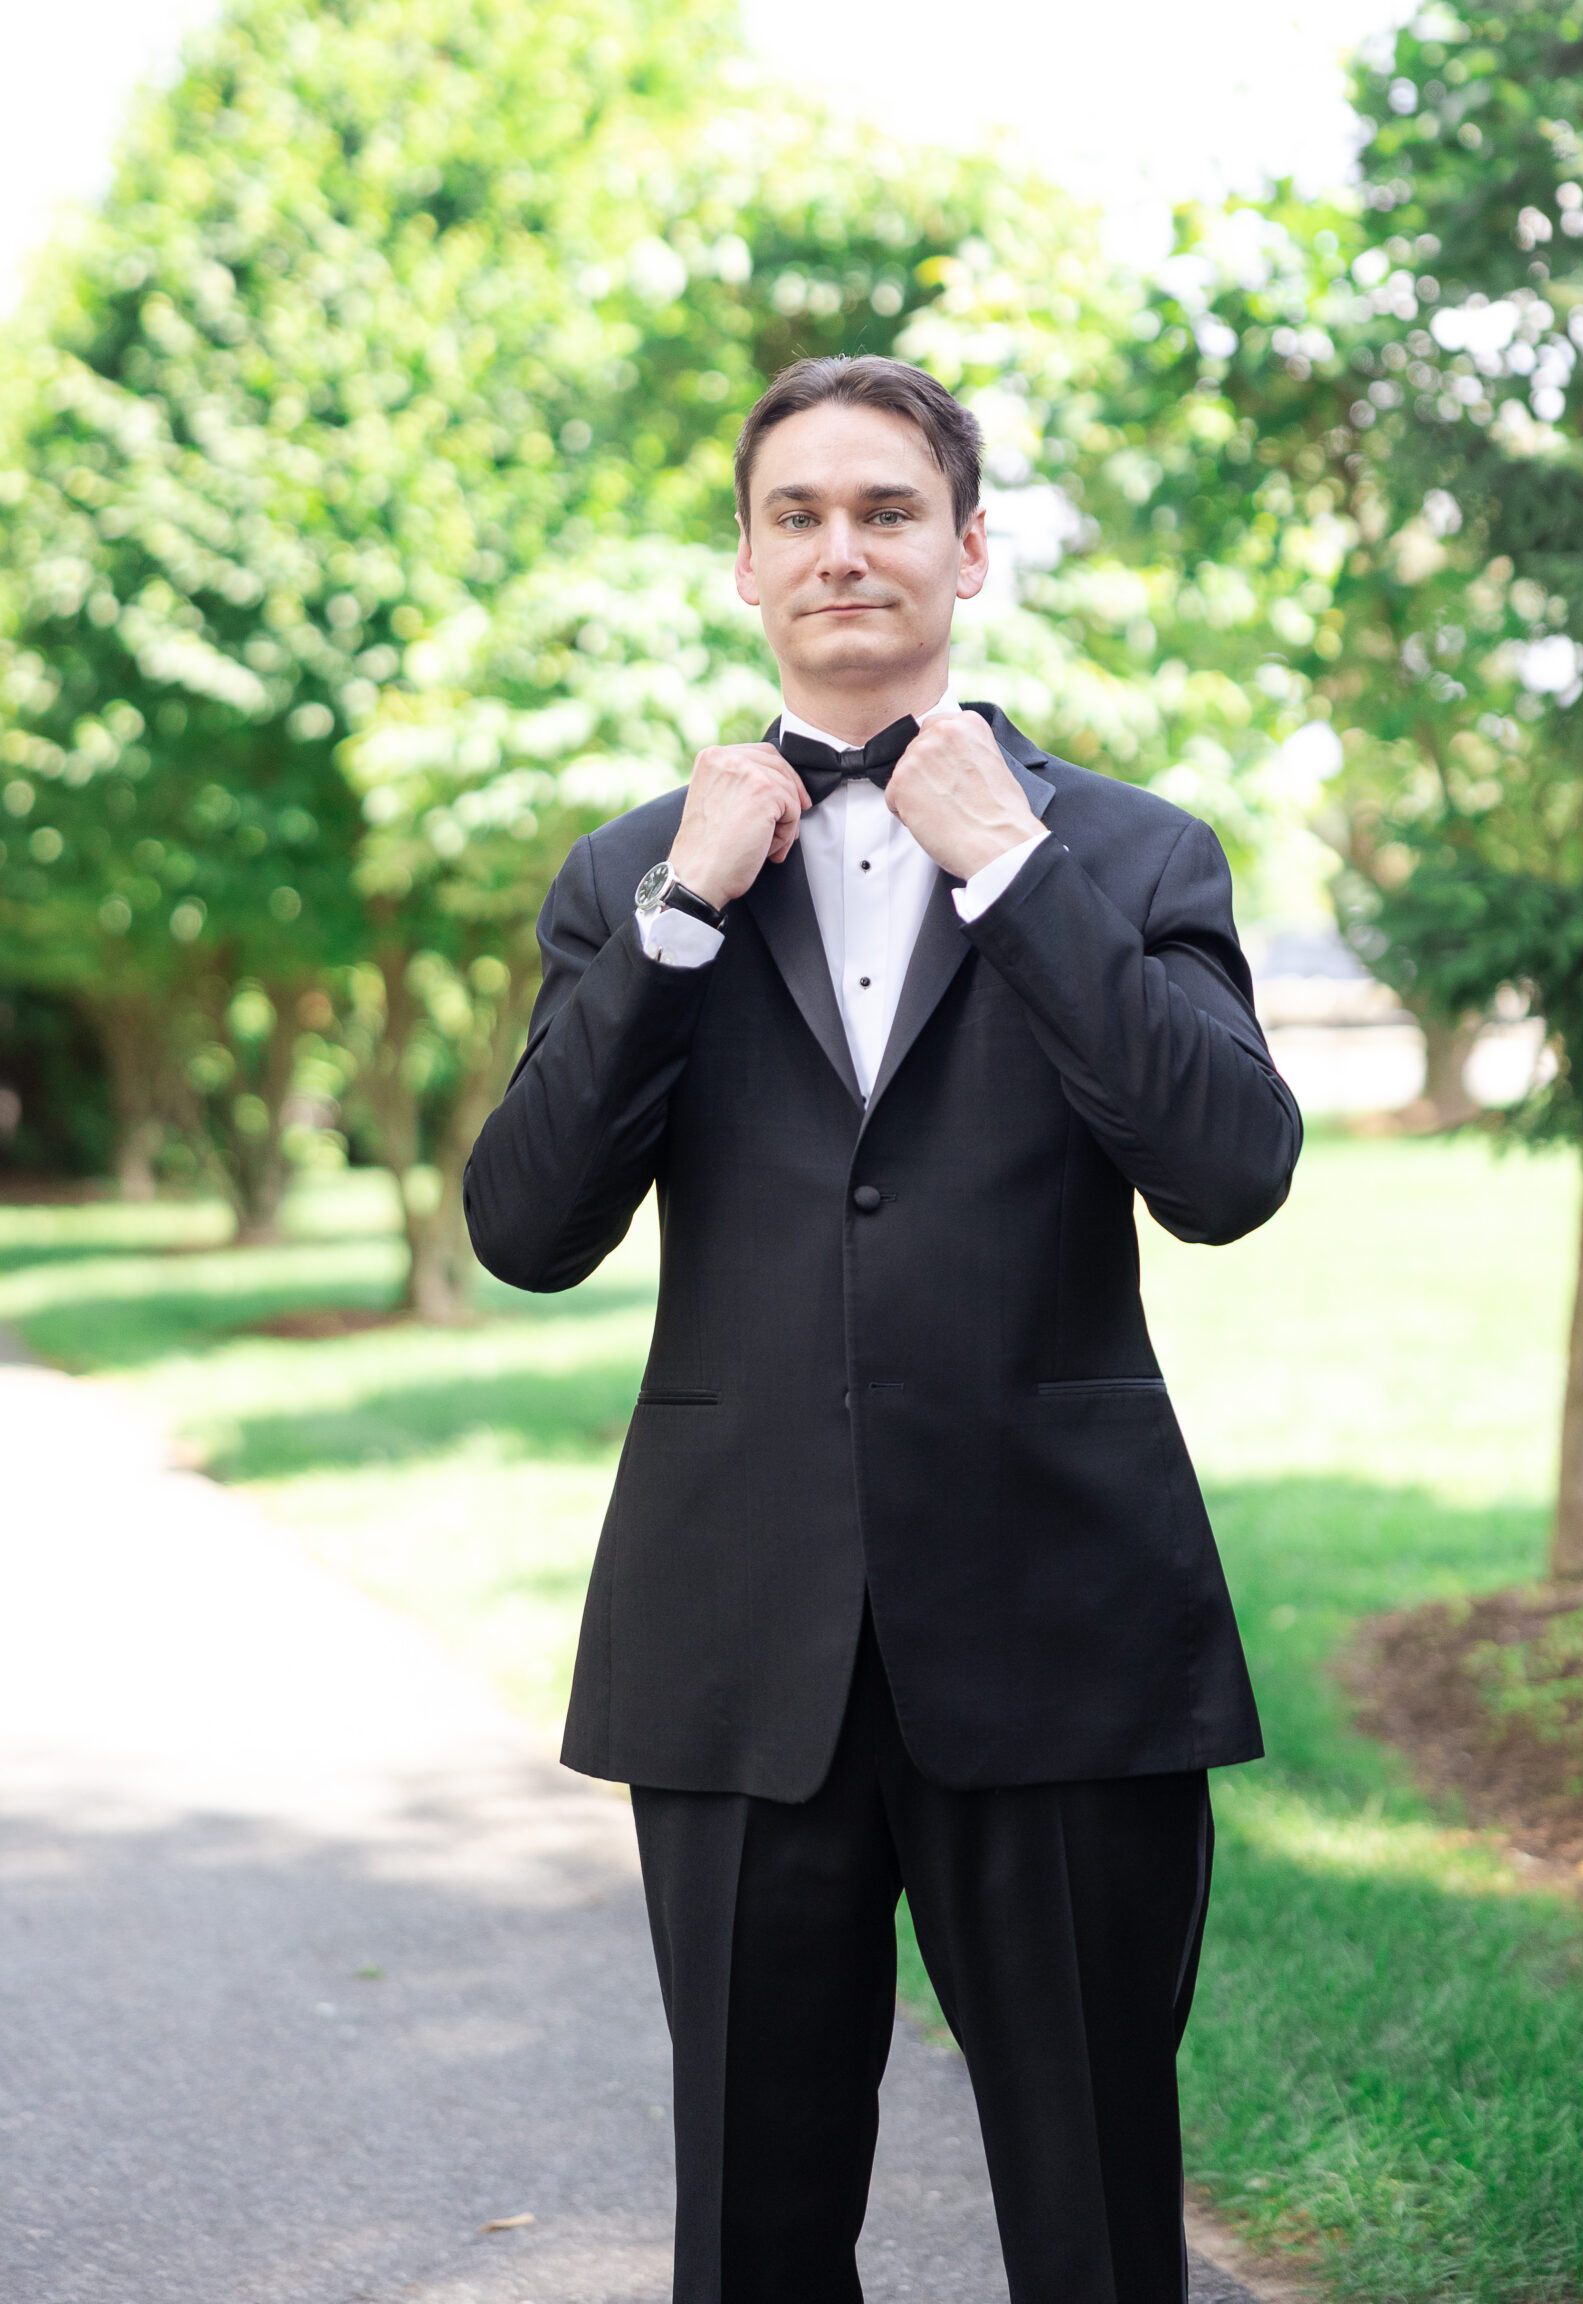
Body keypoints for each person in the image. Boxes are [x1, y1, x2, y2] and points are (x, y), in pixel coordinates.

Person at [464, 355, 1302, 2304]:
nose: (841, 547)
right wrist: (682, 909)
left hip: (1062, 1628)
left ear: (970, 549)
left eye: (887, 508)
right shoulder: (625, 872)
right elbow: (525, 1224)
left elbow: (1227, 1167)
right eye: (797, 515)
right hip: (741, 1653)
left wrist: (1010, 865)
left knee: (1097, 2223)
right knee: (752, 2237)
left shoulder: (1134, 852)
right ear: (743, 565)